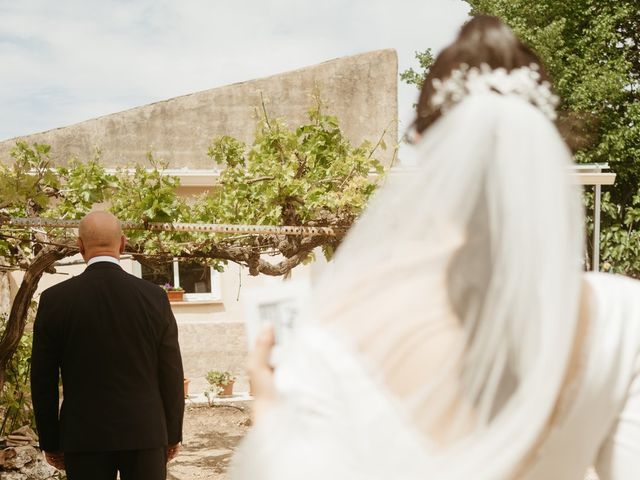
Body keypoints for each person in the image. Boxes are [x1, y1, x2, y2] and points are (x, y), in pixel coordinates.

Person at [229, 16, 640, 480]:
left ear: (425, 145)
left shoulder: (338, 321)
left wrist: (269, 410)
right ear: (543, 145)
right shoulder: (623, 314)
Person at [30, 211, 185, 480]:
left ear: (79, 247)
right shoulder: (154, 298)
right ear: (123, 244)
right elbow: (171, 371)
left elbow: (42, 379)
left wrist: (51, 440)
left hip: (83, 436)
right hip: (145, 433)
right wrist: (172, 434)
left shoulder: (55, 300)